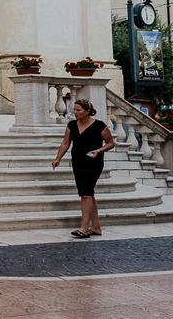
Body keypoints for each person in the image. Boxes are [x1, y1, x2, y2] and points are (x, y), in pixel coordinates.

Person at [52, 98, 115, 239]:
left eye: (78, 110)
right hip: (78, 162)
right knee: (88, 193)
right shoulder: (72, 125)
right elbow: (65, 144)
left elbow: (111, 143)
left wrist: (99, 150)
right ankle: (96, 227)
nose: (75, 112)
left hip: (94, 162)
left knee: (85, 194)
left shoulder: (100, 126)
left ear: (87, 111)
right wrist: (58, 158)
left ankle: (84, 228)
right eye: (74, 109)